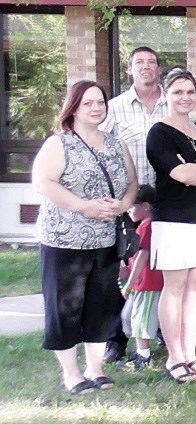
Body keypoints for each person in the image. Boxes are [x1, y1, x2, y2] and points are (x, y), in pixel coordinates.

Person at [33, 80, 138, 394]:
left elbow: (131, 183)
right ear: (74, 107)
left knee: (101, 306)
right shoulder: (59, 143)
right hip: (64, 242)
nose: (96, 108)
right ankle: (72, 374)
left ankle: (96, 368)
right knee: (65, 307)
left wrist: (124, 204)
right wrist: (84, 207)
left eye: (100, 102)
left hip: (105, 241)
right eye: (88, 103)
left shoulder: (115, 142)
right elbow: (43, 183)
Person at [146, 68, 196, 383]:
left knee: (195, 286)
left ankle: (191, 355)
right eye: (178, 92)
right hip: (173, 220)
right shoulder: (160, 133)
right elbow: (179, 176)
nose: (185, 98)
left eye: (190, 92)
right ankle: (174, 358)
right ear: (166, 95)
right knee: (175, 286)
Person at [99, 45, 168, 363]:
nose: (146, 67)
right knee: (120, 271)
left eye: (151, 62)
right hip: (127, 206)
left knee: (167, 269)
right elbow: (100, 153)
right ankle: (116, 338)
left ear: (159, 69)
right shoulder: (113, 108)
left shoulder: (174, 104)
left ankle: (166, 332)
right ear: (129, 70)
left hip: (168, 203)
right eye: (139, 62)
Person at [119, 185, 164, 370]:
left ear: (145, 206)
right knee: (129, 317)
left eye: (132, 206)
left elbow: (144, 256)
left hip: (148, 282)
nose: (129, 210)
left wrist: (129, 283)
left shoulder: (148, 226)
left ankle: (143, 356)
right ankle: (142, 351)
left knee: (141, 319)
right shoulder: (143, 226)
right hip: (140, 282)